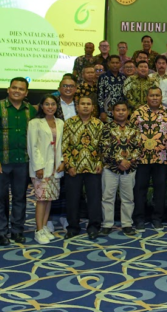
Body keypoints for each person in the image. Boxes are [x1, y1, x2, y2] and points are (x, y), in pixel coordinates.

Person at [0, 77, 38, 246]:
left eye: (21, 89)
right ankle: (1, 232)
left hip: (23, 161)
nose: (17, 91)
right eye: (14, 88)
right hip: (2, 162)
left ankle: (17, 230)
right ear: (8, 89)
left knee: (20, 197)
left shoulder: (30, 111)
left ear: (26, 93)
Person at [130, 86, 167, 232]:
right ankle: (139, 219)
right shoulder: (137, 113)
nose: (154, 98)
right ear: (147, 97)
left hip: (161, 158)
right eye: (152, 95)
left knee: (160, 189)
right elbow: (130, 134)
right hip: (141, 158)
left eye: (157, 95)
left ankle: (157, 218)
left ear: (161, 97)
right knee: (139, 189)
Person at [62, 96, 104, 240]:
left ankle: (94, 227)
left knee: (94, 199)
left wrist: (100, 163)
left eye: (88, 104)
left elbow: (102, 146)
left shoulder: (99, 124)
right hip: (74, 168)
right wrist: (69, 165)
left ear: (92, 107)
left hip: (93, 167)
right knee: (72, 199)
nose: (85, 106)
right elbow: (65, 146)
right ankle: (73, 227)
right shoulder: (69, 123)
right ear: (77, 106)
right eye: (82, 104)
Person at [99, 101, 142, 237]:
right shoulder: (106, 128)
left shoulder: (134, 128)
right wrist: (119, 161)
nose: (121, 112)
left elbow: (139, 147)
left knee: (128, 198)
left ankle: (127, 224)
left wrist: (129, 161)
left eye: (123, 110)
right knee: (107, 197)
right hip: (110, 168)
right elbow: (104, 147)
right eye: (118, 110)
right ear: (112, 112)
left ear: (128, 112)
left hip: (129, 168)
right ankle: (107, 224)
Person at [27, 95, 64, 245]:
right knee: (41, 199)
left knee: (49, 199)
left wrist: (63, 161)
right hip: (41, 168)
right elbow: (32, 146)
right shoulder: (34, 123)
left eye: (53, 104)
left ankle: (44, 227)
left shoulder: (60, 122)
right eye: (47, 104)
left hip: (56, 167)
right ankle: (38, 230)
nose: (50, 107)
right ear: (42, 106)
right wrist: (38, 167)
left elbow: (63, 144)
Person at [97, 55, 126, 123]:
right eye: (113, 63)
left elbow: (125, 95)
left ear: (120, 64)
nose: (115, 65)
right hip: (107, 112)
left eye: (117, 63)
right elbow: (100, 95)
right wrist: (102, 111)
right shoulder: (103, 77)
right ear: (108, 64)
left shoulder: (124, 77)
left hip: (121, 111)